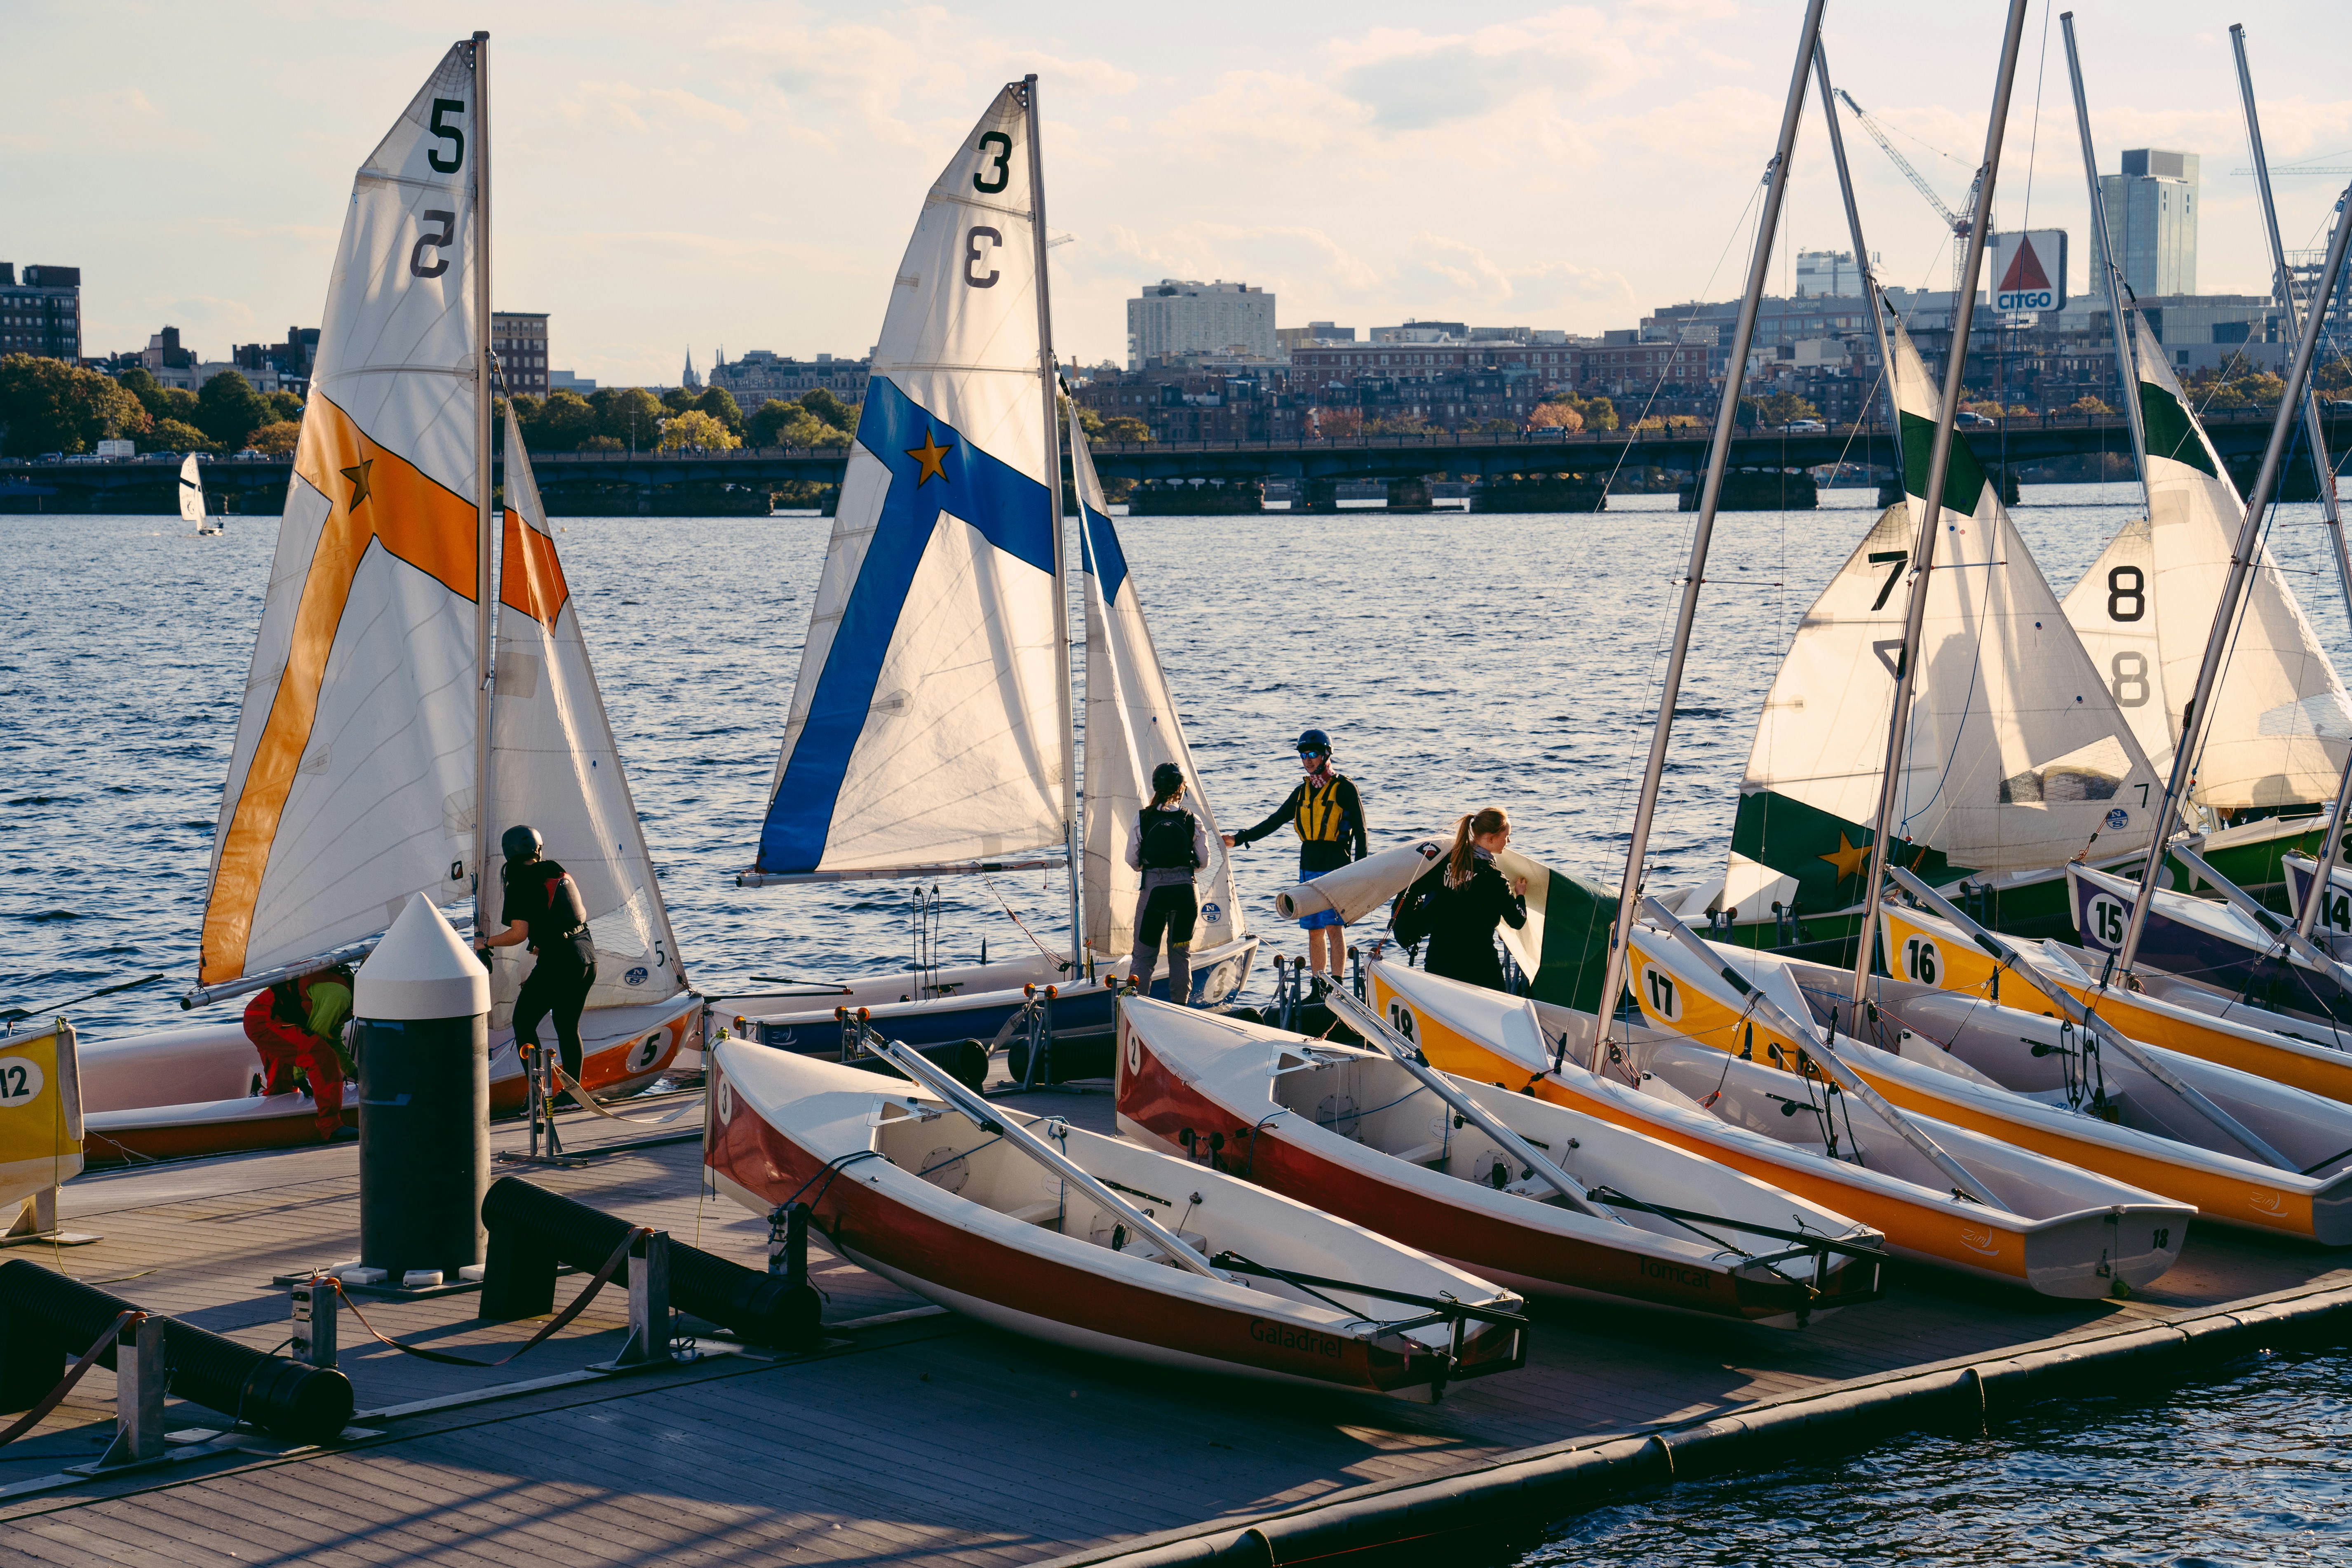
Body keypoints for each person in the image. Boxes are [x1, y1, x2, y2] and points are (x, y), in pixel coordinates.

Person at [1224, 728, 1367, 982]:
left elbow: (1362, 832)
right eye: (1303, 755)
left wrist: (1360, 872)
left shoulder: (1345, 788)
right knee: (1314, 931)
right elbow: (1275, 821)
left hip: (1337, 867)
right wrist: (1240, 839)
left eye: (1313, 754)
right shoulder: (1302, 792)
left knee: (1334, 928)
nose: (1308, 759)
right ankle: (1318, 982)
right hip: (1308, 865)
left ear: (1326, 755)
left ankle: (1336, 984)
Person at [477, 824, 597, 1105]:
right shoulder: (557, 871)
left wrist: (486, 943)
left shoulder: (520, 881)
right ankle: (572, 1094)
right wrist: (544, 938)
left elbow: (518, 934)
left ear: (509, 852)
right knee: (567, 1026)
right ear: (537, 848)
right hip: (587, 956)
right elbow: (573, 912)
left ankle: (538, 1095)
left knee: (524, 1022)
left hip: (561, 962)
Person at [1126, 762, 1210, 1005]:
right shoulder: (1191, 820)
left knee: (1143, 957)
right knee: (1180, 954)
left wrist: (1150, 866)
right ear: (1181, 788)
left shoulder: (1142, 818)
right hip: (1186, 893)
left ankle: (1138, 1009)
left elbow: (1132, 860)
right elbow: (1204, 861)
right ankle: (1180, 1010)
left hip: (1154, 893)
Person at [242, 963, 356, 1140]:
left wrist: (354, 1072)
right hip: (263, 1021)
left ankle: (275, 1125)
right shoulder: (341, 996)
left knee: (282, 1088)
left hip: (277, 1021)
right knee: (321, 1057)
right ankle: (331, 1127)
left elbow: (334, 1041)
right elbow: (318, 1038)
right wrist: (300, 1076)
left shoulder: (345, 996)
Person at [1419, 808, 1528, 993]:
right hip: (1478, 964)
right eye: (1507, 836)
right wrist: (1520, 894)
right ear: (1491, 838)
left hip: (1439, 958)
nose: (1509, 841)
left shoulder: (1447, 862)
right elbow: (1517, 920)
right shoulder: (1493, 878)